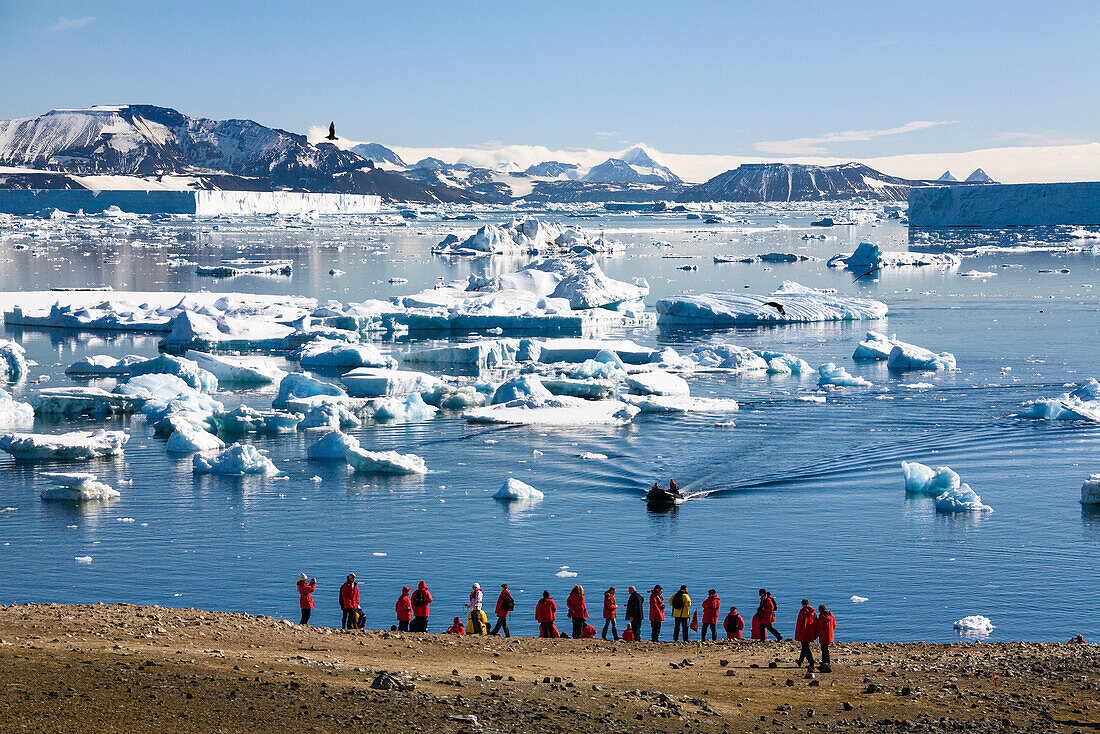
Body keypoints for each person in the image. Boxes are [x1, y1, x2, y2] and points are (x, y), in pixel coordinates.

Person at [795, 599, 818, 670]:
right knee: (805, 646)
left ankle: (811, 662)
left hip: (803, 631)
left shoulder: (802, 611)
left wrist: (797, 633)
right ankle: (800, 661)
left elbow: (800, 623)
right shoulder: (813, 612)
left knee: (805, 647)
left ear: (803, 604)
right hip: (810, 631)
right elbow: (815, 622)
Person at [816, 604, 836, 670]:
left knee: (824, 649)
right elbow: (834, 625)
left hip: (824, 636)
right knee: (826, 649)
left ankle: (825, 663)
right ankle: (826, 662)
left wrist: (818, 635)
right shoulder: (831, 616)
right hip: (830, 635)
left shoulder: (821, 618)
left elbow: (820, 629)